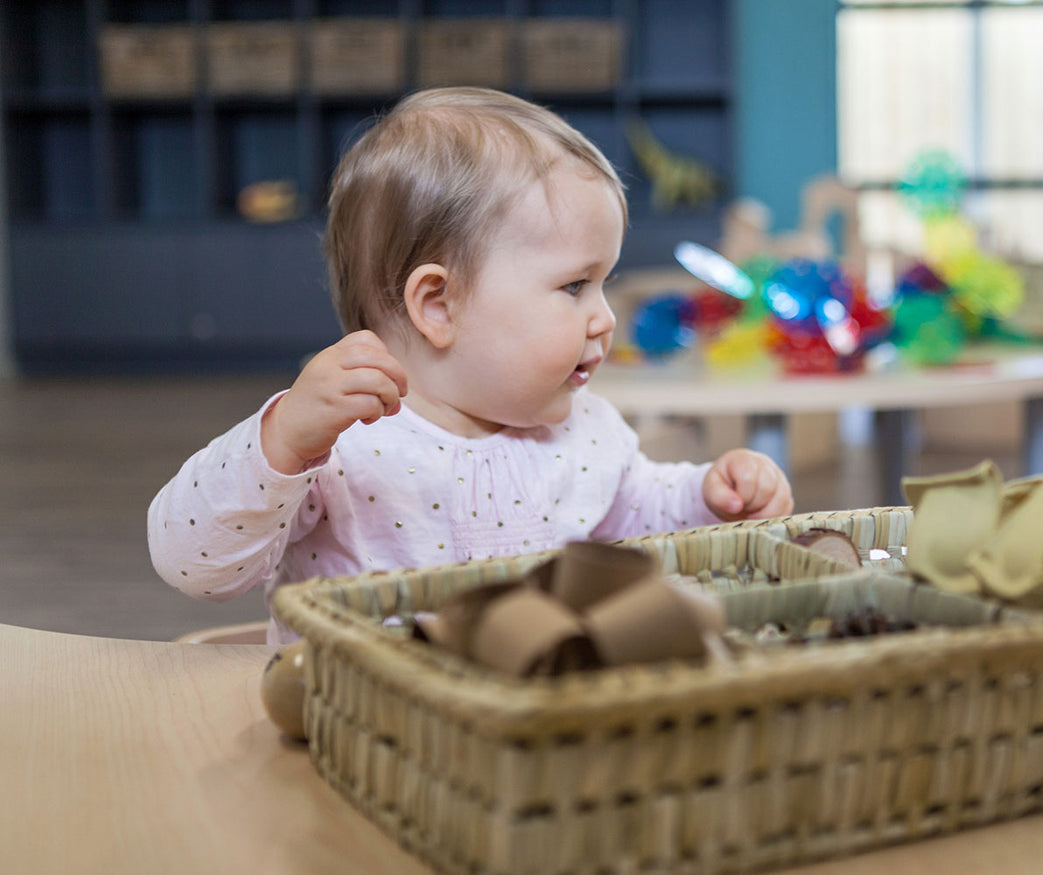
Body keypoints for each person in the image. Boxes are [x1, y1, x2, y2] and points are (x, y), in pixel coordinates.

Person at [148, 87, 793, 643]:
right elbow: (193, 565)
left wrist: (710, 498)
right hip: (358, 735)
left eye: (605, 283)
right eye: (575, 286)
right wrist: (282, 442)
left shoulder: (586, 432)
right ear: (438, 304)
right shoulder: (340, 445)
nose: (605, 317)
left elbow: (641, 516)